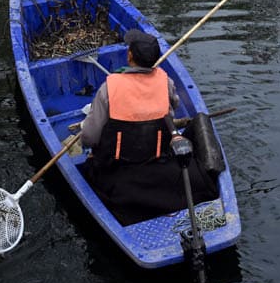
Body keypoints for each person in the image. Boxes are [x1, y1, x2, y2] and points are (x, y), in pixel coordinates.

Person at [78, 28, 219, 225]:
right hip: (158, 159)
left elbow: (90, 137)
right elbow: (174, 107)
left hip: (120, 169)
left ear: (129, 56)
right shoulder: (166, 82)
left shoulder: (109, 88)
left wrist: (90, 149)